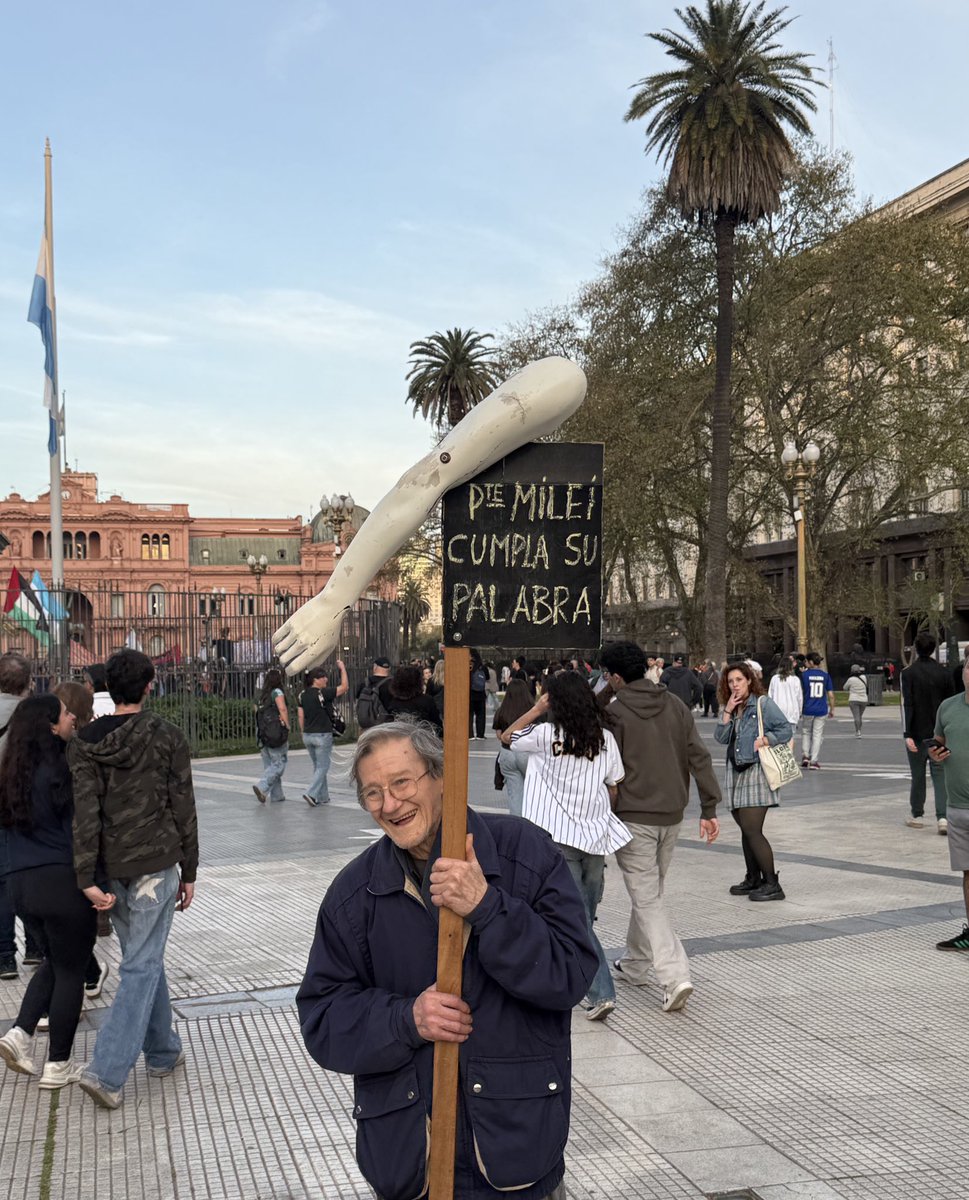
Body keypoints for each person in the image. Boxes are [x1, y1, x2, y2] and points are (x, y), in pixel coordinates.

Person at [296, 721, 597, 1200]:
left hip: (517, 1152)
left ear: (441, 778)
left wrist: (489, 907)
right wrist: (406, 1019)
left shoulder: (523, 853)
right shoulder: (355, 895)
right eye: (373, 793)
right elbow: (322, 1018)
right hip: (411, 1161)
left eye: (401, 783)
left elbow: (572, 974)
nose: (390, 805)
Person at [67, 648, 198, 1109]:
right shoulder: (167, 736)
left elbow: (84, 815)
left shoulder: (82, 743)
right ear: (149, 685)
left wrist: (86, 876)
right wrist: (190, 869)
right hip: (156, 866)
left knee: (144, 958)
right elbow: (183, 804)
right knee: (141, 964)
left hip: (111, 872)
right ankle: (107, 1071)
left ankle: (163, 1051)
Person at [597, 641, 721, 1013]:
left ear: (617, 677)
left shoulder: (615, 714)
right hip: (672, 814)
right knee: (649, 893)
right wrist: (709, 806)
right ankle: (635, 964)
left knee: (647, 896)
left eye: (607, 675)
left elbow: (607, 774)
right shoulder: (675, 705)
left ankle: (674, 975)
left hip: (634, 817)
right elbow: (698, 756)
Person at [501, 673, 629, 1022]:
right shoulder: (603, 739)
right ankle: (580, 981)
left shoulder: (545, 736)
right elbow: (613, 785)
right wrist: (601, 813)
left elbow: (507, 736)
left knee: (578, 921)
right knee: (584, 917)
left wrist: (536, 709)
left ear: (553, 702)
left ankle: (600, 991)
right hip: (596, 837)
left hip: (558, 837)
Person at [0, 695, 98, 1089]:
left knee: (56, 961)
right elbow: (82, 831)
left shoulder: (9, 774)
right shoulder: (63, 769)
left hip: (20, 886)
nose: (72, 717)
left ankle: (20, 1034)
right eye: (65, 713)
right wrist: (93, 885)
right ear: (49, 725)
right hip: (63, 882)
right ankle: (59, 1063)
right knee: (72, 971)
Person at [715, 661, 793, 901]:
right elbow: (721, 737)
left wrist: (766, 740)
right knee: (745, 831)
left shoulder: (762, 703)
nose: (735, 685)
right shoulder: (734, 707)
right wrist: (727, 710)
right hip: (736, 772)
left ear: (749, 680)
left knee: (752, 829)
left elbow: (785, 730)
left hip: (757, 771)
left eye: (739, 680)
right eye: (730, 681)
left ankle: (772, 883)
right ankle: (753, 878)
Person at [52, 681, 110, 1000]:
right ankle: (90, 970)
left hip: (64, 843)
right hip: (87, 841)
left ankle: (86, 973)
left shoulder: (60, 749)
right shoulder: (93, 744)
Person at [0, 651, 44, 981]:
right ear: (27, 681)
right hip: (24, 804)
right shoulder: (32, 714)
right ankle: (35, 948)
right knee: (28, 874)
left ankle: (3, 958)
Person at [928, 656, 969, 949]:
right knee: (968, 872)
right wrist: (935, 753)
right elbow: (937, 740)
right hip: (958, 806)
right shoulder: (948, 706)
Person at [901, 632, 956, 833]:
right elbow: (950, 704)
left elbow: (908, 704)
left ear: (916, 647)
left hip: (916, 730)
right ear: (934, 649)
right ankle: (942, 817)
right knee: (939, 774)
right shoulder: (944, 673)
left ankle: (917, 814)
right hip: (939, 732)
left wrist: (907, 733)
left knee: (917, 775)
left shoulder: (908, 673)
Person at [297, 660, 348, 808]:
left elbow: (301, 716)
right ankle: (311, 793)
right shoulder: (322, 693)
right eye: (323, 677)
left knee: (318, 766)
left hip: (308, 735)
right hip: (322, 735)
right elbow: (344, 687)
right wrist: (342, 668)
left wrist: (302, 733)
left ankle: (322, 796)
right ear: (316, 680)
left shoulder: (302, 695)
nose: (326, 679)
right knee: (323, 766)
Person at [491, 680, 534, 817]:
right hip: (527, 754)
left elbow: (499, 735)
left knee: (515, 795)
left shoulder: (501, 711)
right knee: (533, 791)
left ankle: (518, 825)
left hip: (507, 754)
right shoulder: (532, 710)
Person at [253, 668, 290, 803]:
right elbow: (282, 708)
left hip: (263, 733)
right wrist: (286, 725)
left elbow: (256, 711)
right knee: (279, 763)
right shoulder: (277, 692)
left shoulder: (261, 696)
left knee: (270, 765)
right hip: (275, 732)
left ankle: (277, 795)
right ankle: (262, 786)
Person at [378, 664, 444, 734]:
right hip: (423, 739)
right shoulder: (427, 701)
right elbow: (437, 726)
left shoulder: (393, 702)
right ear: (418, 681)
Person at [800, 651, 835, 770]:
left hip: (808, 708)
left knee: (806, 732)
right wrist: (832, 708)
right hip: (821, 709)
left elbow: (801, 692)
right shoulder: (825, 676)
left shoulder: (804, 675)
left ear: (810, 662)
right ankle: (814, 760)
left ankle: (805, 755)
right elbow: (830, 694)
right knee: (817, 735)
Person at [768, 656, 802, 732]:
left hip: (777, 711)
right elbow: (799, 697)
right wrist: (799, 711)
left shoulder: (775, 679)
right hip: (791, 711)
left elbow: (770, 696)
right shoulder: (795, 680)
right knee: (790, 738)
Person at [844, 665, 869, 738]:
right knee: (860, 716)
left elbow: (845, 688)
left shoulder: (850, 679)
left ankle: (858, 731)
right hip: (864, 699)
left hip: (853, 699)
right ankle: (859, 730)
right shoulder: (864, 677)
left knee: (856, 716)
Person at [469, 650, 488, 739]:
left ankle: (470, 734)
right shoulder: (482, 666)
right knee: (481, 715)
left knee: (469, 715)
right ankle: (480, 734)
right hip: (481, 694)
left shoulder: (468, 665)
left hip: (470, 694)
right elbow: (487, 677)